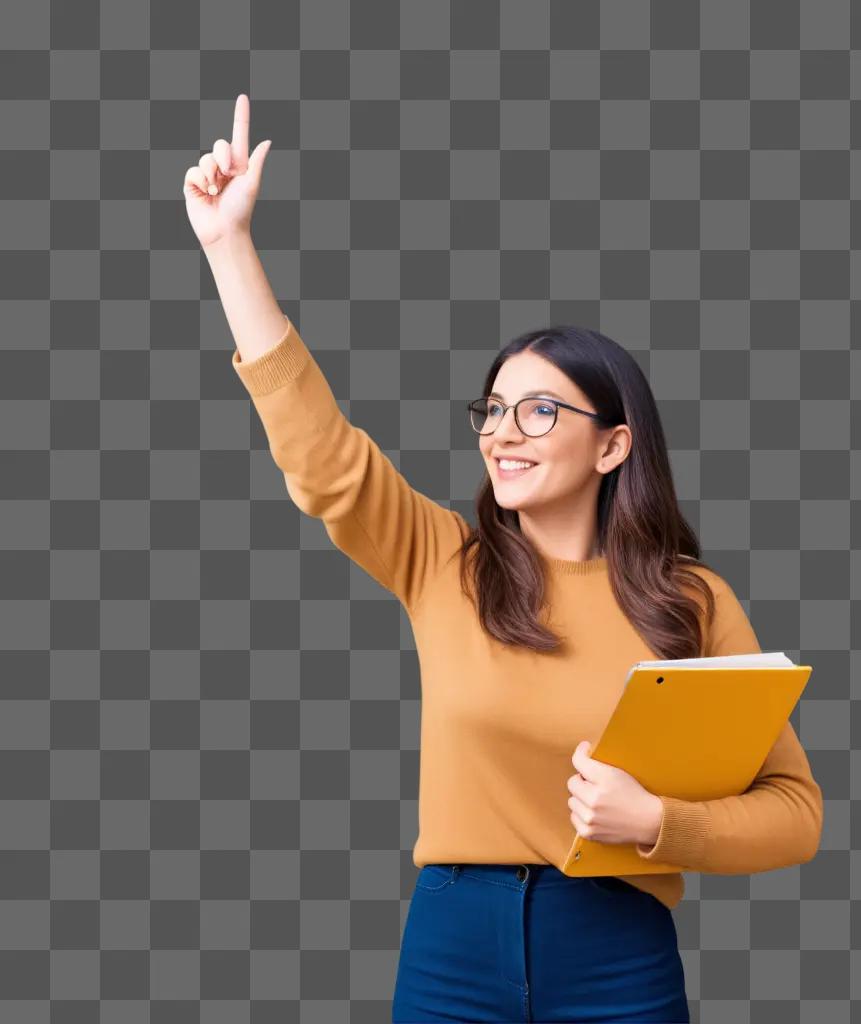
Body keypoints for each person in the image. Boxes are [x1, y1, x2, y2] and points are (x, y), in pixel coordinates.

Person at [184, 93, 824, 1024]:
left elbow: (795, 813)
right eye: (493, 409)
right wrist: (227, 246)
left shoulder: (690, 601)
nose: (503, 433)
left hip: (618, 948)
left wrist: (659, 825)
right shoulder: (443, 560)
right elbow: (320, 454)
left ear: (612, 446)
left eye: (540, 411)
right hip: (452, 946)